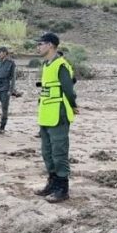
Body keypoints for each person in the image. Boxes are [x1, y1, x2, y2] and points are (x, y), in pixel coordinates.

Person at [33, 33, 79, 203]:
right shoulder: (46, 65)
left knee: (59, 152)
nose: (38, 47)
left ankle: (62, 188)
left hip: (58, 113)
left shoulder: (61, 65)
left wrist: (73, 106)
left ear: (51, 45)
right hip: (45, 114)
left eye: (40, 43)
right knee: (47, 152)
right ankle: (52, 183)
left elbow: (68, 89)